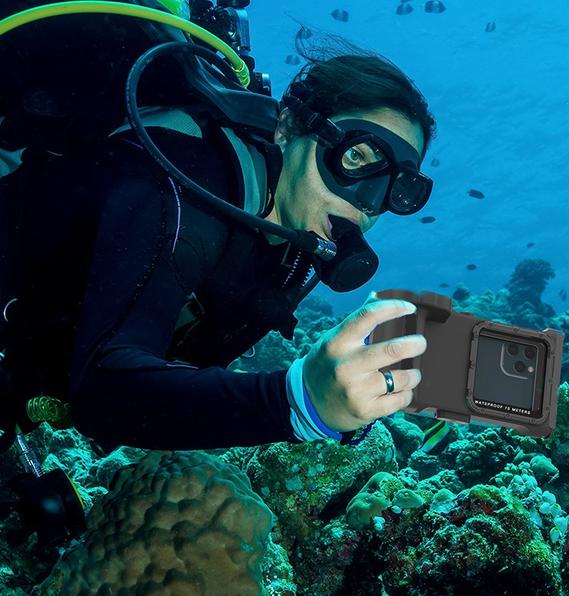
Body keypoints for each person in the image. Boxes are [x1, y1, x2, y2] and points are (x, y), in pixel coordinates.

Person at [0, 37, 436, 454]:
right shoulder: (183, 184)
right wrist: (298, 405)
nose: (367, 203)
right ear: (288, 128)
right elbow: (101, 388)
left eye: (398, 188)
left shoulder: (291, 238)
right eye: (356, 157)